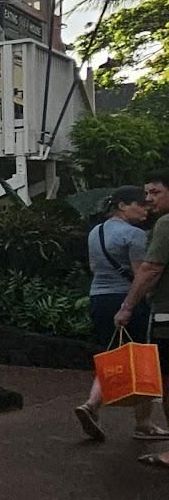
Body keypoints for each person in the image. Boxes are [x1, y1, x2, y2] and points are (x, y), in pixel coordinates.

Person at [76, 186, 161, 439]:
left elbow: (94, 267)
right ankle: (144, 423)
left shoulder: (96, 231)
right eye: (140, 205)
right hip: (126, 299)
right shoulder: (135, 235)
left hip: (99, 297)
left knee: (112, 354)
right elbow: (141, 274)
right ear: (123, 206)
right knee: (142, 357)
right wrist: (132, 304)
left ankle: (91, 404)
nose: (146, 210)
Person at [112, 170, 169, 464]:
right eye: (146, 193)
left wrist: (127, 306)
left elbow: (150, 269)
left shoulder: (166, 224)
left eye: (155, 192)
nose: (148, 199)